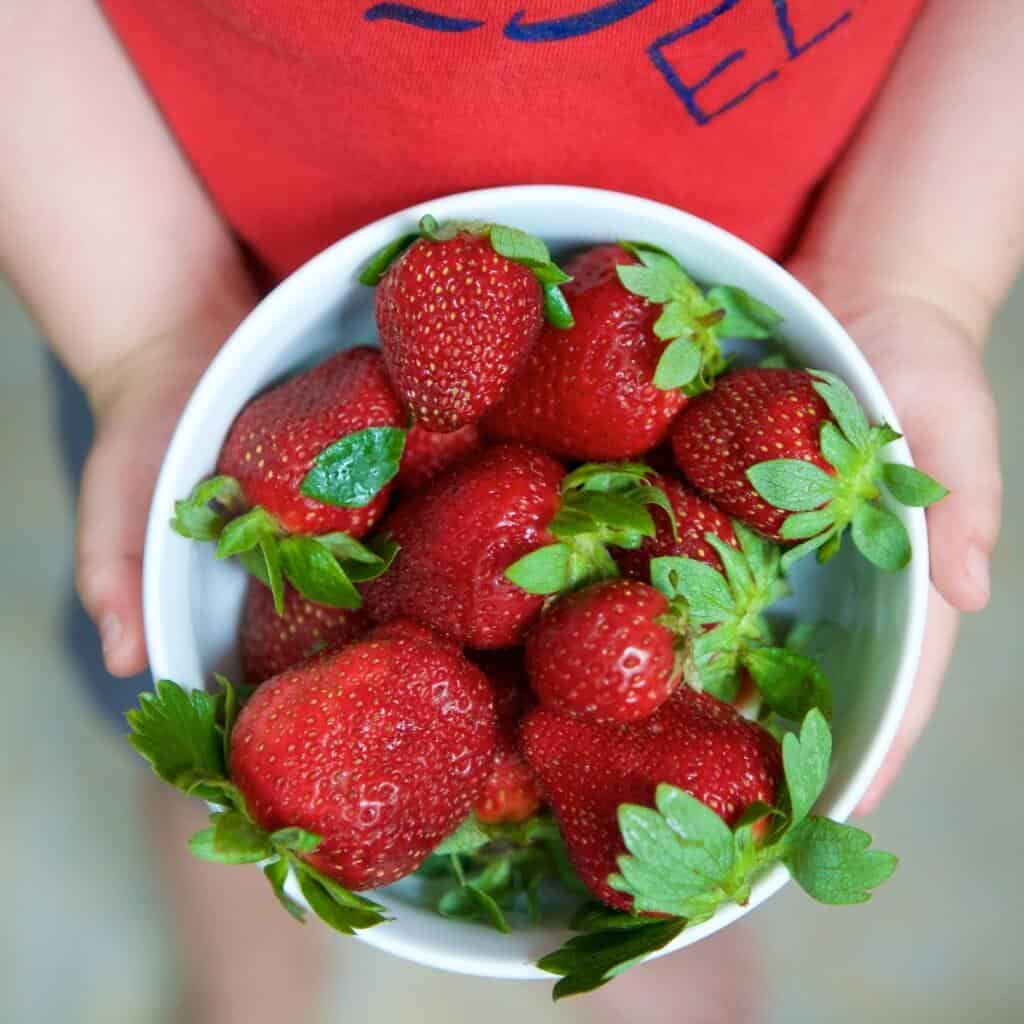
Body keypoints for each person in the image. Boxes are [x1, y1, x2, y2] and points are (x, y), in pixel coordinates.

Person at [1, 2, 1016, 1020]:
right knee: (228, 780)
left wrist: (914, 269)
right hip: (178, 281)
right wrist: (144, 329)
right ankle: (250, 967)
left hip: (767, 271)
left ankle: (657, 931)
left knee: (660, 845)